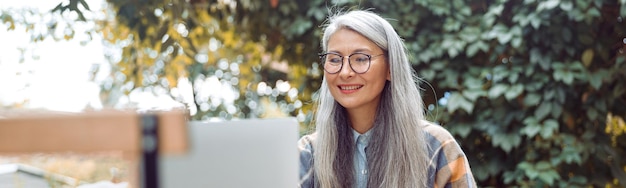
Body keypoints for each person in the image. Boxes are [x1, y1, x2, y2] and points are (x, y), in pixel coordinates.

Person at [298, 9, 476, 188]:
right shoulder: (308, 153)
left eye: (360, 59)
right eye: (334, 60)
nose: (345, 72)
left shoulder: (436, 147)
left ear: (390, 67)